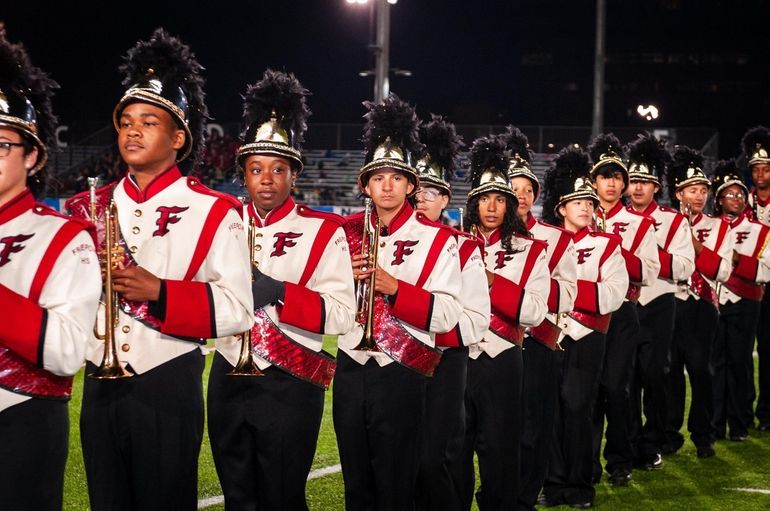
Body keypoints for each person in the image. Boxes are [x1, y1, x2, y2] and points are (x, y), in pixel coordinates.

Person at [65, 29, 253, 510]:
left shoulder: (216, 210)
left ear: (179, 136)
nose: (132, 130)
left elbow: (237, 311)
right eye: (126, 121)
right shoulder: (85, 207)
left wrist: (161, 292)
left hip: (168, 382)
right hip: (97, 384)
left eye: (149, 121)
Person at [207, 69, 356, 510]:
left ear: (294, 175)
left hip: (290, 382)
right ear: (244, 176)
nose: (266, 178)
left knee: (282, 496)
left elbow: (343, 315)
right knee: (238, 494)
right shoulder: (220, 224)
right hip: (228, 370)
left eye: (277, 169)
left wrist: (279, 291)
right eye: (255, 169)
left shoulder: (324, 230)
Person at [333, 95, 463, 510]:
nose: (386, 186)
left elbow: (447, 313)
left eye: (396, 177)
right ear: (365, 185)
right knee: (356, 481)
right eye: (377, 177)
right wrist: (342, 281)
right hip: (351, 367)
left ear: (411, 185)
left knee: (397, 482)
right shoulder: (344, 232)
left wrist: (393, 287)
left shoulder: (439, 240)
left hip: (403, 370)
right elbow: (325, 306)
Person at [0, 29, 101, 511]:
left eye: (0, 145)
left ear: (33, 155)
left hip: (21, 421)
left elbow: (64, 354)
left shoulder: (65, 236)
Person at [456, 134, 550, 511]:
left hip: (502, 359)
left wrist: (492, 282)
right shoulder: (452, 244)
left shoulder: (532, 251)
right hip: (458, 358)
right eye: (484, 198)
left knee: (499, 449)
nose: (491, 207)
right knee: (455, 448)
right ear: (473, 202)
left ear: (511, 205)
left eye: (499, 199)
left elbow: (535, 312)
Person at [539, 146, 628, 509]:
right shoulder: (543, 242)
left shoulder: (607, 244)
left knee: (578, 408)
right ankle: (553, 483)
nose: (587, 208)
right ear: (561, 207)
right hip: (548, 335)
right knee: (551, 409)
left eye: (590, 203)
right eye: (578, 202)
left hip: (586, 335)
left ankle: (579, 485)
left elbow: (614, 295)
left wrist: (567, 293)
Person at [412, 115, 490, 511]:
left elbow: (476, 320)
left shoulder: (462, 247)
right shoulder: (388, 241)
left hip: (447, 357)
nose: (422, 198)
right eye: (418, 190)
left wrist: (428, 324)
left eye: (432, 192)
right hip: (399, 357)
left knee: (441, 454)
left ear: (446, 200)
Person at [499, 127, 577, 511]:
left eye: (528, 189)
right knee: (498, 426)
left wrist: (529, 295)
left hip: (539, 339)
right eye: (514, 188)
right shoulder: (482, 235)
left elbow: (569, 292)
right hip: (494, 342)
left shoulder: (556, 238)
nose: (522, 195)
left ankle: (528, 490)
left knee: (535, 423)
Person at [589, 133, 660, 486]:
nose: (612, 183)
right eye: (605, 176)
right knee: (586, 391)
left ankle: (619, 459)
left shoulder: (641, 224)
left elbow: (649, 272)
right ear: (594, 181)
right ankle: (584, 465)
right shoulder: (577, 215)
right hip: (586, 314)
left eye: (617, 177)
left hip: (622, 311)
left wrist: (611, 247)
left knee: (618, 388)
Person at [625, 133, 694, 470]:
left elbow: (685, 267)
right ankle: (630, 441)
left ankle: (653, 440)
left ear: (657, 187)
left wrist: (650, 258)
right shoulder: (613, 220)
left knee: (654, 375)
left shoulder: (673, 220)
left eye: (645, 182)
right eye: (634, 181)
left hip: (659, 302)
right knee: (626, 379)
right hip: (624, 306)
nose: (638, 188)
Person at [663, 145, 733, 459]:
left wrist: (693, 244)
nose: (699, 196)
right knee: (671, 371)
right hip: (672, 302)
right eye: (693, 190)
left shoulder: (719, 227)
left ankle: (703, 435)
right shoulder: (664, 222)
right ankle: (669, 434)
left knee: (701, 370)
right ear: (679, 193)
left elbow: (723, 270)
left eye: (704, 190)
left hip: (703, 305)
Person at [711, 159, 770, 441]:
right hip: (714, 302)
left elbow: (766, 271)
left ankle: (739, 421)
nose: (734, 198)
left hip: (745, 302)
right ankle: (716, 421)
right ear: (719, 198)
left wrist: (735, 259)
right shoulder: (710, 227)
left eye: (738, 193)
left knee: (739, 361)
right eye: (728, 194)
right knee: (716, 362)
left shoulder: (760, 230)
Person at [741, 127, 770, 431]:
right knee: (742, 351)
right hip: (747, 284)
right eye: (756, 169)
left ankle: (767, 412)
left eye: (766, 169)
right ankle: (743, 410)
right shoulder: (741, 200)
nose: (760, 175)